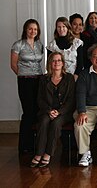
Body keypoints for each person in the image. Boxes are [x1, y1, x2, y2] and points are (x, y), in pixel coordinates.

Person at [30, 52, 75, 168]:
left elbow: (71, 100)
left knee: (56, 123)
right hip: (47, 111)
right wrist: (49, 111)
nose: (56, 63)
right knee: (44, 121)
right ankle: (39, 153)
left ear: (63, 63)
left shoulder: (69, 78)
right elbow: (40, 99)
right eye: (54, 61)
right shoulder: (44, 79)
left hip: (64, 113)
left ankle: (48, 153)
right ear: (50, 63)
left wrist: (59, 112)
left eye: (59, 60)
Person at [11, 19, 44, 153]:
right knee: (28, 112)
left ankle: (36, 144)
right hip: (25, 80)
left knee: (37, 110)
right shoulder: (18, 44)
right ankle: (25, 145)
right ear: (25, 30)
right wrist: (24, 75)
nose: (33, 31)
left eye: (35, 29)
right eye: (30, 29)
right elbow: (13, 64)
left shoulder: (39, 44)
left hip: (39, 79)